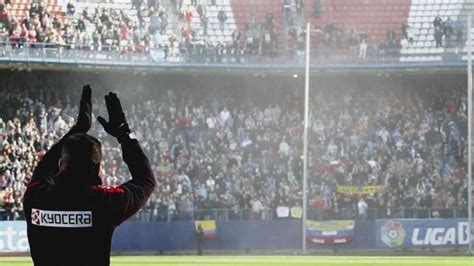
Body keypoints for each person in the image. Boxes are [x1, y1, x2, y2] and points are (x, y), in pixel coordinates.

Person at [23, 86, 156, 266]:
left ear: (61, 164)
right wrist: (124, 132)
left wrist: (77, 129)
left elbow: (43, 168)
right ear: (97, 169)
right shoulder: (105, 203)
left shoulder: (35, 197)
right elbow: (145, 180)